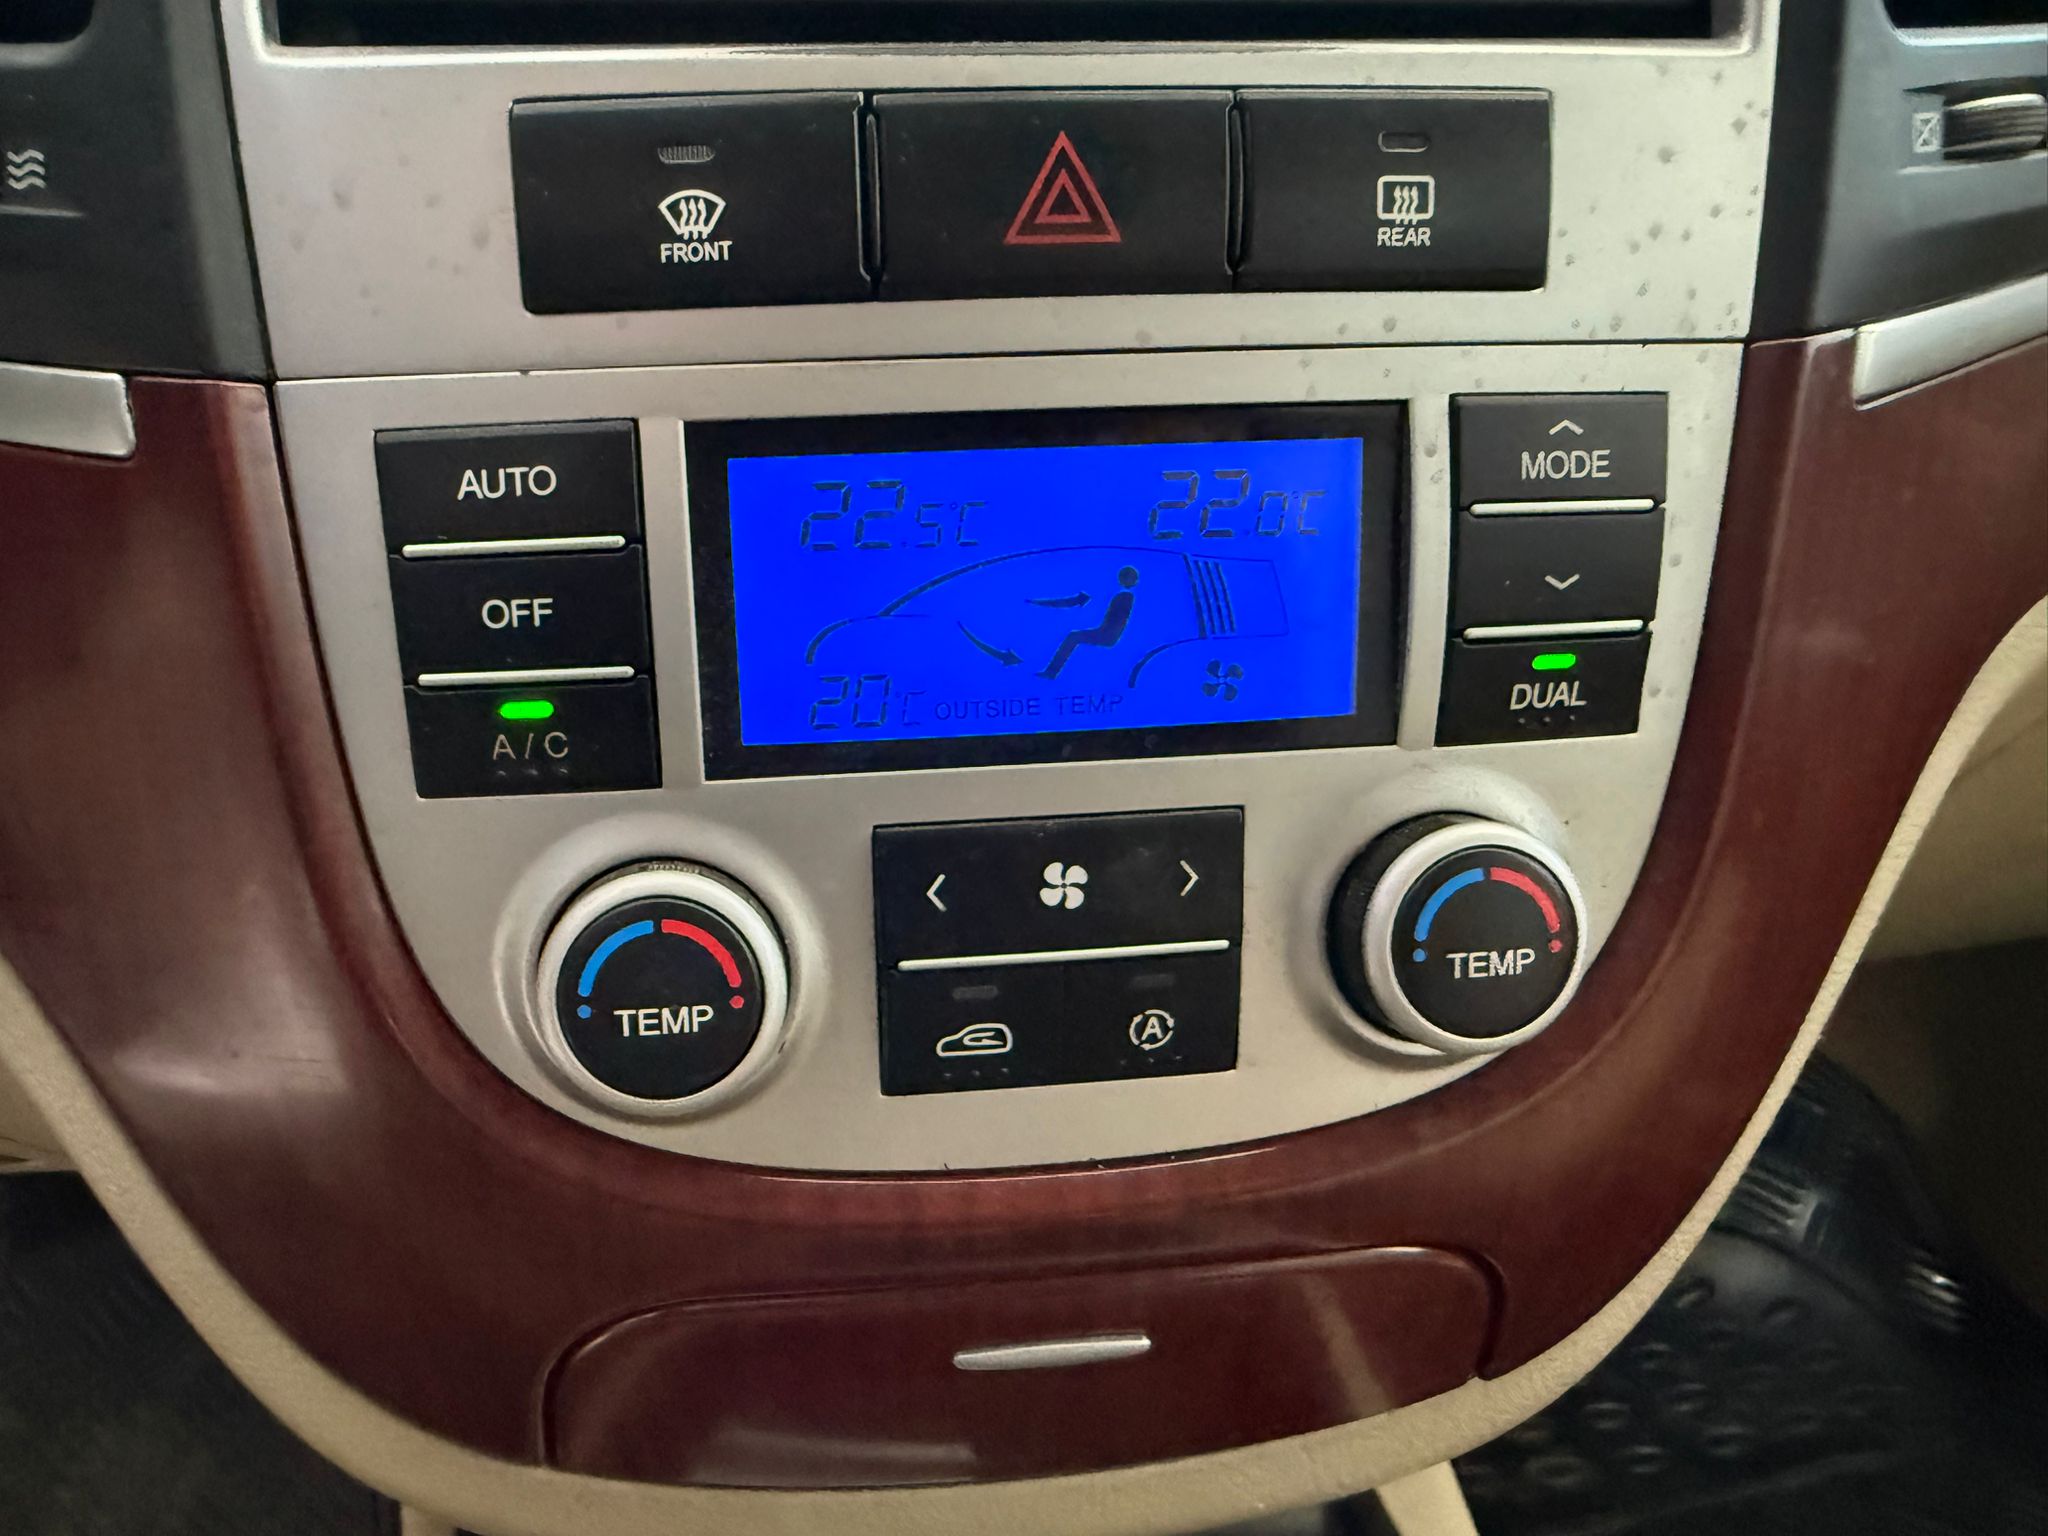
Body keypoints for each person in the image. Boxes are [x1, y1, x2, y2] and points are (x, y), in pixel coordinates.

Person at [1041, 566, 1139, 681]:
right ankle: (1051, 672)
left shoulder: (1125, 596)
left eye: (1127, 578)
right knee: (1073, 636)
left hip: (1108, 634)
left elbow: (1118, 620)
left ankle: (1051, 672)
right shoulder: (1118, 594)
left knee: (1073, 637)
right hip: (1106, 631)